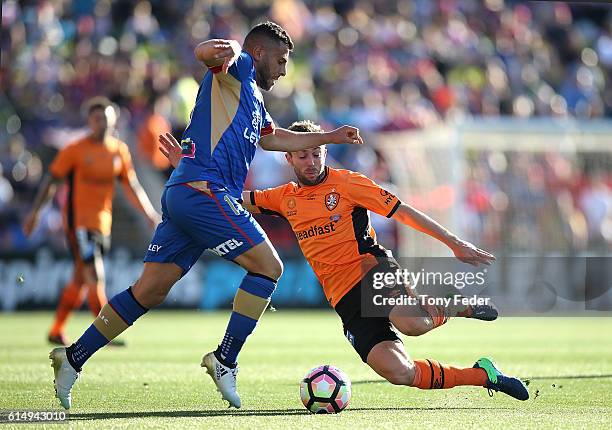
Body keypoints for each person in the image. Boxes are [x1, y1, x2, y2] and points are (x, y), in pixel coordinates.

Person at [48, 21, 363, 410]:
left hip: (188, 193)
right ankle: (225, 360)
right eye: (281, 60)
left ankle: (73, 357)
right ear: (260, 53)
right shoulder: (241, 67)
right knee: (268, 267)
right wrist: (228, 47)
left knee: (150, 290)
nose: (283, 70)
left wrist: (329, 137)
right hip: (205, 192)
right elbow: (205, 54)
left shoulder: (254, 100)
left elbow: (273, 139)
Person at [159, 120, 529, 401]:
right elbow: (230, 198)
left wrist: (452, 242)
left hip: (371, 268)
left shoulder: (348, 183)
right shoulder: (282, 197)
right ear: (288, 157)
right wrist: (186, 171)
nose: (311, 159)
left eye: (317, 151)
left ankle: (459, 307)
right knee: (400, 373)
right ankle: (484, 375)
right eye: (303, 154)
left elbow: (403, 212)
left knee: (412, 323)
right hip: (343, 299)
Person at [23, 97, 160, 346]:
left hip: (102, 224)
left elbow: (132, 186)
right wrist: (35, 214)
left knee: (80, 279)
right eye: (97, 119)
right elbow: (51, 182)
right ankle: (105, 331)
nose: (102, 124)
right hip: (79, 224)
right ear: (89, 121)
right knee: (94, 274)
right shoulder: (75, 150)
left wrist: (149, 214)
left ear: (114, 121)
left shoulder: (119, 150)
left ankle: (56, 329)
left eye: (106, 119)